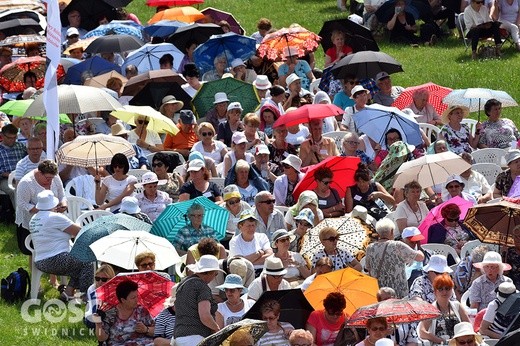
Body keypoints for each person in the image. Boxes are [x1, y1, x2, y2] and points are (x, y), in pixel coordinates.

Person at [29, 190, 91, 301]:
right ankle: (86, 296)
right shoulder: (55, 217)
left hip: (40, 261)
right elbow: (80, 232)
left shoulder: (34, 218)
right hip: (56, 260)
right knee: (88, 260)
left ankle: (69, 292)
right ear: (54, 204)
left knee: (78, 260)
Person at [16, 160, 67, 257]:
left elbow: (61, 193)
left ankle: (52, 270)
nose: (50, 181)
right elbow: (22, 204)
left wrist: (63, 204)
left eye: (52, 178)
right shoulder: (26, 183)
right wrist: (43, 210)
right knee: (33, 251)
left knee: (54, 248)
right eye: (48, 178)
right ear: (39, 173)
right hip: (30, 221)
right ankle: (34, 271)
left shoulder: (54, 177)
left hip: (52, 220)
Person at [365, 218, 424, 298]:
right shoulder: (397, 246)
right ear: (392, 231)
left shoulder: (370, 248)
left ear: (378, 233)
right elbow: (420, 258)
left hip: (380, 292)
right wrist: (419, 250)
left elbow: (368, 269)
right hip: (398, 291)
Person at [173, 255, 222, 345]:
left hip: (178, 336)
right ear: (209, 272)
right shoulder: (202, 287)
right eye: (215, 274)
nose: (214, 277)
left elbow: (177, 308)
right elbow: (205, 316)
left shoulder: (182, 283)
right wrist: (217, 330)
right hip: (196, 338)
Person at [95, 280, 155, 345]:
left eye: (137, 296)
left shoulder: (142, 311)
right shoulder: (110, 313)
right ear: (123, 300)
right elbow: (101, 338)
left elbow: (158, 331)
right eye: (133, 298)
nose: (137, 300)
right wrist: (98, 325)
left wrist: (146, 329)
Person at [419, 274, 470, 344]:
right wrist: (441, 341)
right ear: (435, 291)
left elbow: (468, 327)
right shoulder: (430, 310)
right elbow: (422, 332)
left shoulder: (458, 306)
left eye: (447, 288)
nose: (444, 292)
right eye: (440, 289)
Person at [0, 124, 27, 205]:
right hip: (5, 179)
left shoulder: (20, 146)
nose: (12, 140)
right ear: (2, 136)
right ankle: (19, 215)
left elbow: (27, 161)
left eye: (14, 138)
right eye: (9, 138)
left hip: (22, 176)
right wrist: (9, 175)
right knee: (15, 189)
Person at [85, 264, 115, 328]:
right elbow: (94, 308)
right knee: (91, 322)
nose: (100, 281)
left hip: (112, 314)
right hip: (97, 313)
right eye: (97, 278)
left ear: (111, 279)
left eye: (104, 279)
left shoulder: (115, 289)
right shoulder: (92, 289)